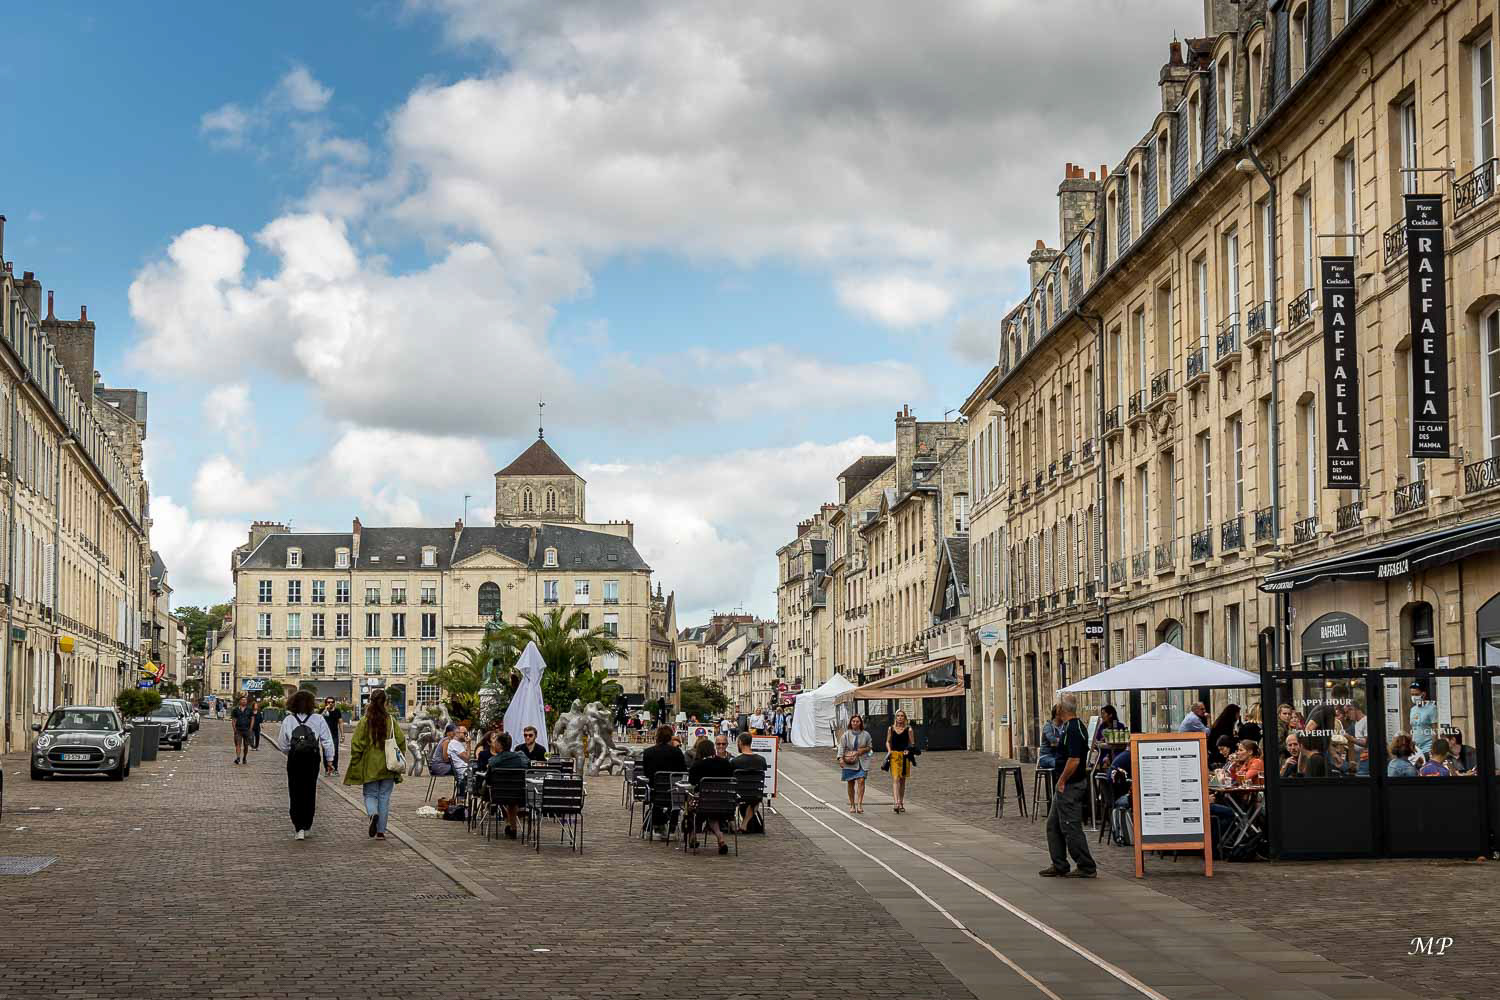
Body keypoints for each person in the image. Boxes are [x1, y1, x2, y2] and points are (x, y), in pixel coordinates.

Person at [1040, 694, 1096, 878]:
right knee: (1053, 825)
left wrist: (1062, 780)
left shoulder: (1073, 728)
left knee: (1070, 826)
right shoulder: (1071, 726)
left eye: (1057, 705)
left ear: (1062, 709)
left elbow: (1074, 760)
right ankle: (1059, 863)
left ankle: (1086, 866)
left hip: (1070, 785)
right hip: (1065, 784)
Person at [342, 688, 407, 841]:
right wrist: (400, 756)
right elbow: (401, 741)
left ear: (370, 701)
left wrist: (356, 759)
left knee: (370, 794)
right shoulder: (391, 720)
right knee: (384, 797)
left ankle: (372, 814)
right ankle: (381, 832)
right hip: (388, 765)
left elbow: (357, 743)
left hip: (370, 764)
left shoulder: (366, 720)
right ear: (386, 702)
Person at [276, 690, 335, 840]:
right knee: (310, 790)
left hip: (295, 758)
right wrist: (330, 760)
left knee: (294, 790)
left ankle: (298, 827)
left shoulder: (289, 720)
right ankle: (307, 824)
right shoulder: (318, 718)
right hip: (312, 758)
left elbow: (282, 743)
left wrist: (290, 752)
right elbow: (327, 741)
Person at [686, 737, 734, 854]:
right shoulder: (725, 763)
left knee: (691, 807)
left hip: (702, 802)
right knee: (711, 813)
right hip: (723, 802)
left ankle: (693, 836)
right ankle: (720, 837)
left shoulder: (697, 765)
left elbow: (692, 782)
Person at [641, 725, 688, 835]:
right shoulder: (677, 752)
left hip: (655, 792)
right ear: (670, 737)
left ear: (657, 736)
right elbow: (683, 772)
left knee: (656, 802)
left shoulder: (648, 752)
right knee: (677, 801)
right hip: (674, 792)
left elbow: (646, 773)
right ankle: (671, 826)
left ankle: (658, 825)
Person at [485, 732, 531, 839]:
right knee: (511, 798)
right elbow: (528, 767)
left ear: (499, 745)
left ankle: (508, 823)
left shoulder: (493, 761)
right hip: (518, 794)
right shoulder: (521, 758)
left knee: (496, 791)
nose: (494, 744)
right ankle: (512, 826)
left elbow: (488, 780)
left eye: (495, 742)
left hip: (498, 795)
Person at [731, 732, 769, 831]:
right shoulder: (761, 760)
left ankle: (735, 824)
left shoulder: (735, 761)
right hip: (755, 794)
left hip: (739, 793)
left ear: (740, 742)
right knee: (755, 800)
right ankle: (745, 823)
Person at [838, 714, 873, 814]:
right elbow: (841, 747)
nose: (855, 723)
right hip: (849, 761)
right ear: (851, 723)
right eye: (853, 721)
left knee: (861, 780)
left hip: (862, 761)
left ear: (860, 723)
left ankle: (860, 804)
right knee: (850, 782)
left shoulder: (866, 734)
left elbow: (870, 747)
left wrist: (863, 750)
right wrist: (840, 758)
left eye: (857, 721)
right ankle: (852, 804)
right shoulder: (846, 734)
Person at [885, 708, 917, 814]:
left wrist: (908, 750)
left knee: (902, 779)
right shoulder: (891, 728)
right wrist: (889, 751)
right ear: (895, 717)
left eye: (902, 716)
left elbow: (912, 743)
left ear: (905, 718)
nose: (900, 718)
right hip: (894, 755)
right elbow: (888, 741)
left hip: (904, 756)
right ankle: (896, 802)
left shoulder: (909, 729)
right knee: (895, 778)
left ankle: (901, 801)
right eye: (898, 716)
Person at [1409, 681, 1437, 757]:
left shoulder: (1431, 708)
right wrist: (1411, 744)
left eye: (1416, 694)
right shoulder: (1413, 709)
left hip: (1427, 748)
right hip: (1416, 749)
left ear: (1423, 694)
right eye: (1412, 694)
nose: (1414, 697)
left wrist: (1433, 748)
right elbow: (1413, 729)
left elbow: (1435, 729)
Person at [446, 725, 472, 793]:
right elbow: (467, 759)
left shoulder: (456, 743)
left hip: (462, 769)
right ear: (457, 733)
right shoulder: (455, 744)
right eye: (465, 733)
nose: (466, 736)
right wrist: (468, 744)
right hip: (463, 771)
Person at [231, 695, 255, 765]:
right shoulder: (235, 710)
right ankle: (238, 758)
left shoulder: (249, 710)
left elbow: (252, 719)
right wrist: (234, 729)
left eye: (245, 700)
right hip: (238, 730)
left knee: (246, 745)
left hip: (247, 729)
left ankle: (244, 757)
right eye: (242, 700)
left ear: (246, 701)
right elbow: (233, 720)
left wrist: (250, 728)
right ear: (240, 701)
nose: (244, 701)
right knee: (238, 744)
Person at [321, 697, 343, 774]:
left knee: (335, 751)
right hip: (324, 735)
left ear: (334, 703)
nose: (330, 703)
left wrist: (342, 735)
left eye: (332, 702)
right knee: (325, 751)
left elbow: (340, 722)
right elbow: (319, 719)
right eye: (328, 702)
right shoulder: (323, 711)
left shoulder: (337, 711)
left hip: (334, 734)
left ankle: (335, 768)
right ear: (325, 703)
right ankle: (327, 769)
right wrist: (325, 710)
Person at [1038, 705, 1062, 773]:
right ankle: (1057, 783)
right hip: (1046, 757)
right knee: (1060, 764)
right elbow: (1053, 741)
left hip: (1058, 756)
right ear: (1057, 715)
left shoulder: (1065, 726)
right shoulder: (1048, 726)